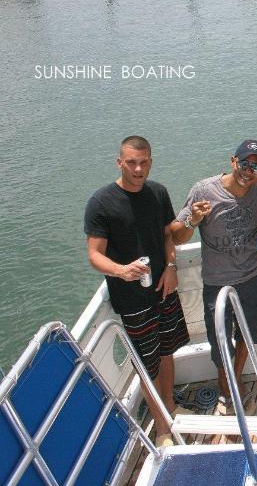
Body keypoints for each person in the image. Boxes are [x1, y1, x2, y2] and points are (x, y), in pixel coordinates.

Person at [85, 135, 190, 446]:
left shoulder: (158, 193)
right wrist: (121, 271)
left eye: (144, 162)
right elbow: (94, 255)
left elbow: (168, 235)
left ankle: (170, 408)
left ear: (151, 162)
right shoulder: (101, 203)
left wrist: (170, 267)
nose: (138, 169)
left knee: (168, 352)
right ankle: (162, 429)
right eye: (131, 162)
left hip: (163, 288)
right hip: (132, 300)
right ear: (120, 162)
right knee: (147, 365)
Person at [170, 140, 257, 411]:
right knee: (220, 340)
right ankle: (226, 383)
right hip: (217, 281)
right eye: (244, 163)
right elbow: (176, 236)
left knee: (252, 332)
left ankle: (233, 378)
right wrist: (193, 219)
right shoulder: (204, 190)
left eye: (256, 166)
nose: (248, 171)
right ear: (233, 161)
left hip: (252, 275)